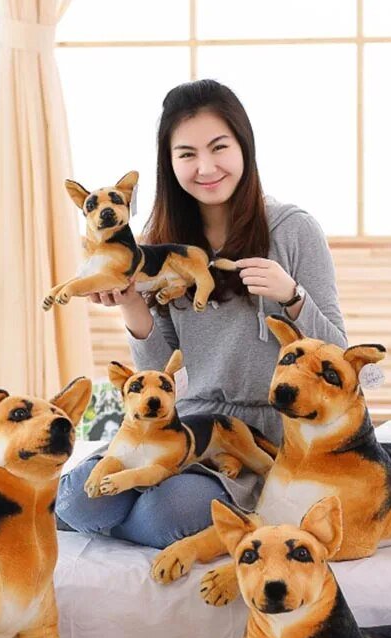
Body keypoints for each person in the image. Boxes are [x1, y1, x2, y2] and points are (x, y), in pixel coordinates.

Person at [55, 79, 347, 549]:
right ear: (169, 164)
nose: (206, 167)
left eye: (219, 147)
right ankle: (91, 515)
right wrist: (131, 304)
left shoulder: (294, 230)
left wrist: (291, 295)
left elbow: (341, 357)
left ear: (244, 148)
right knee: (76, 501)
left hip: (259, 439)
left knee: (163, 515)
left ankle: (117, 517)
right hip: (184, 425)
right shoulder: (159, 245)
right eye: (187, 154)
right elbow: (160, 370)